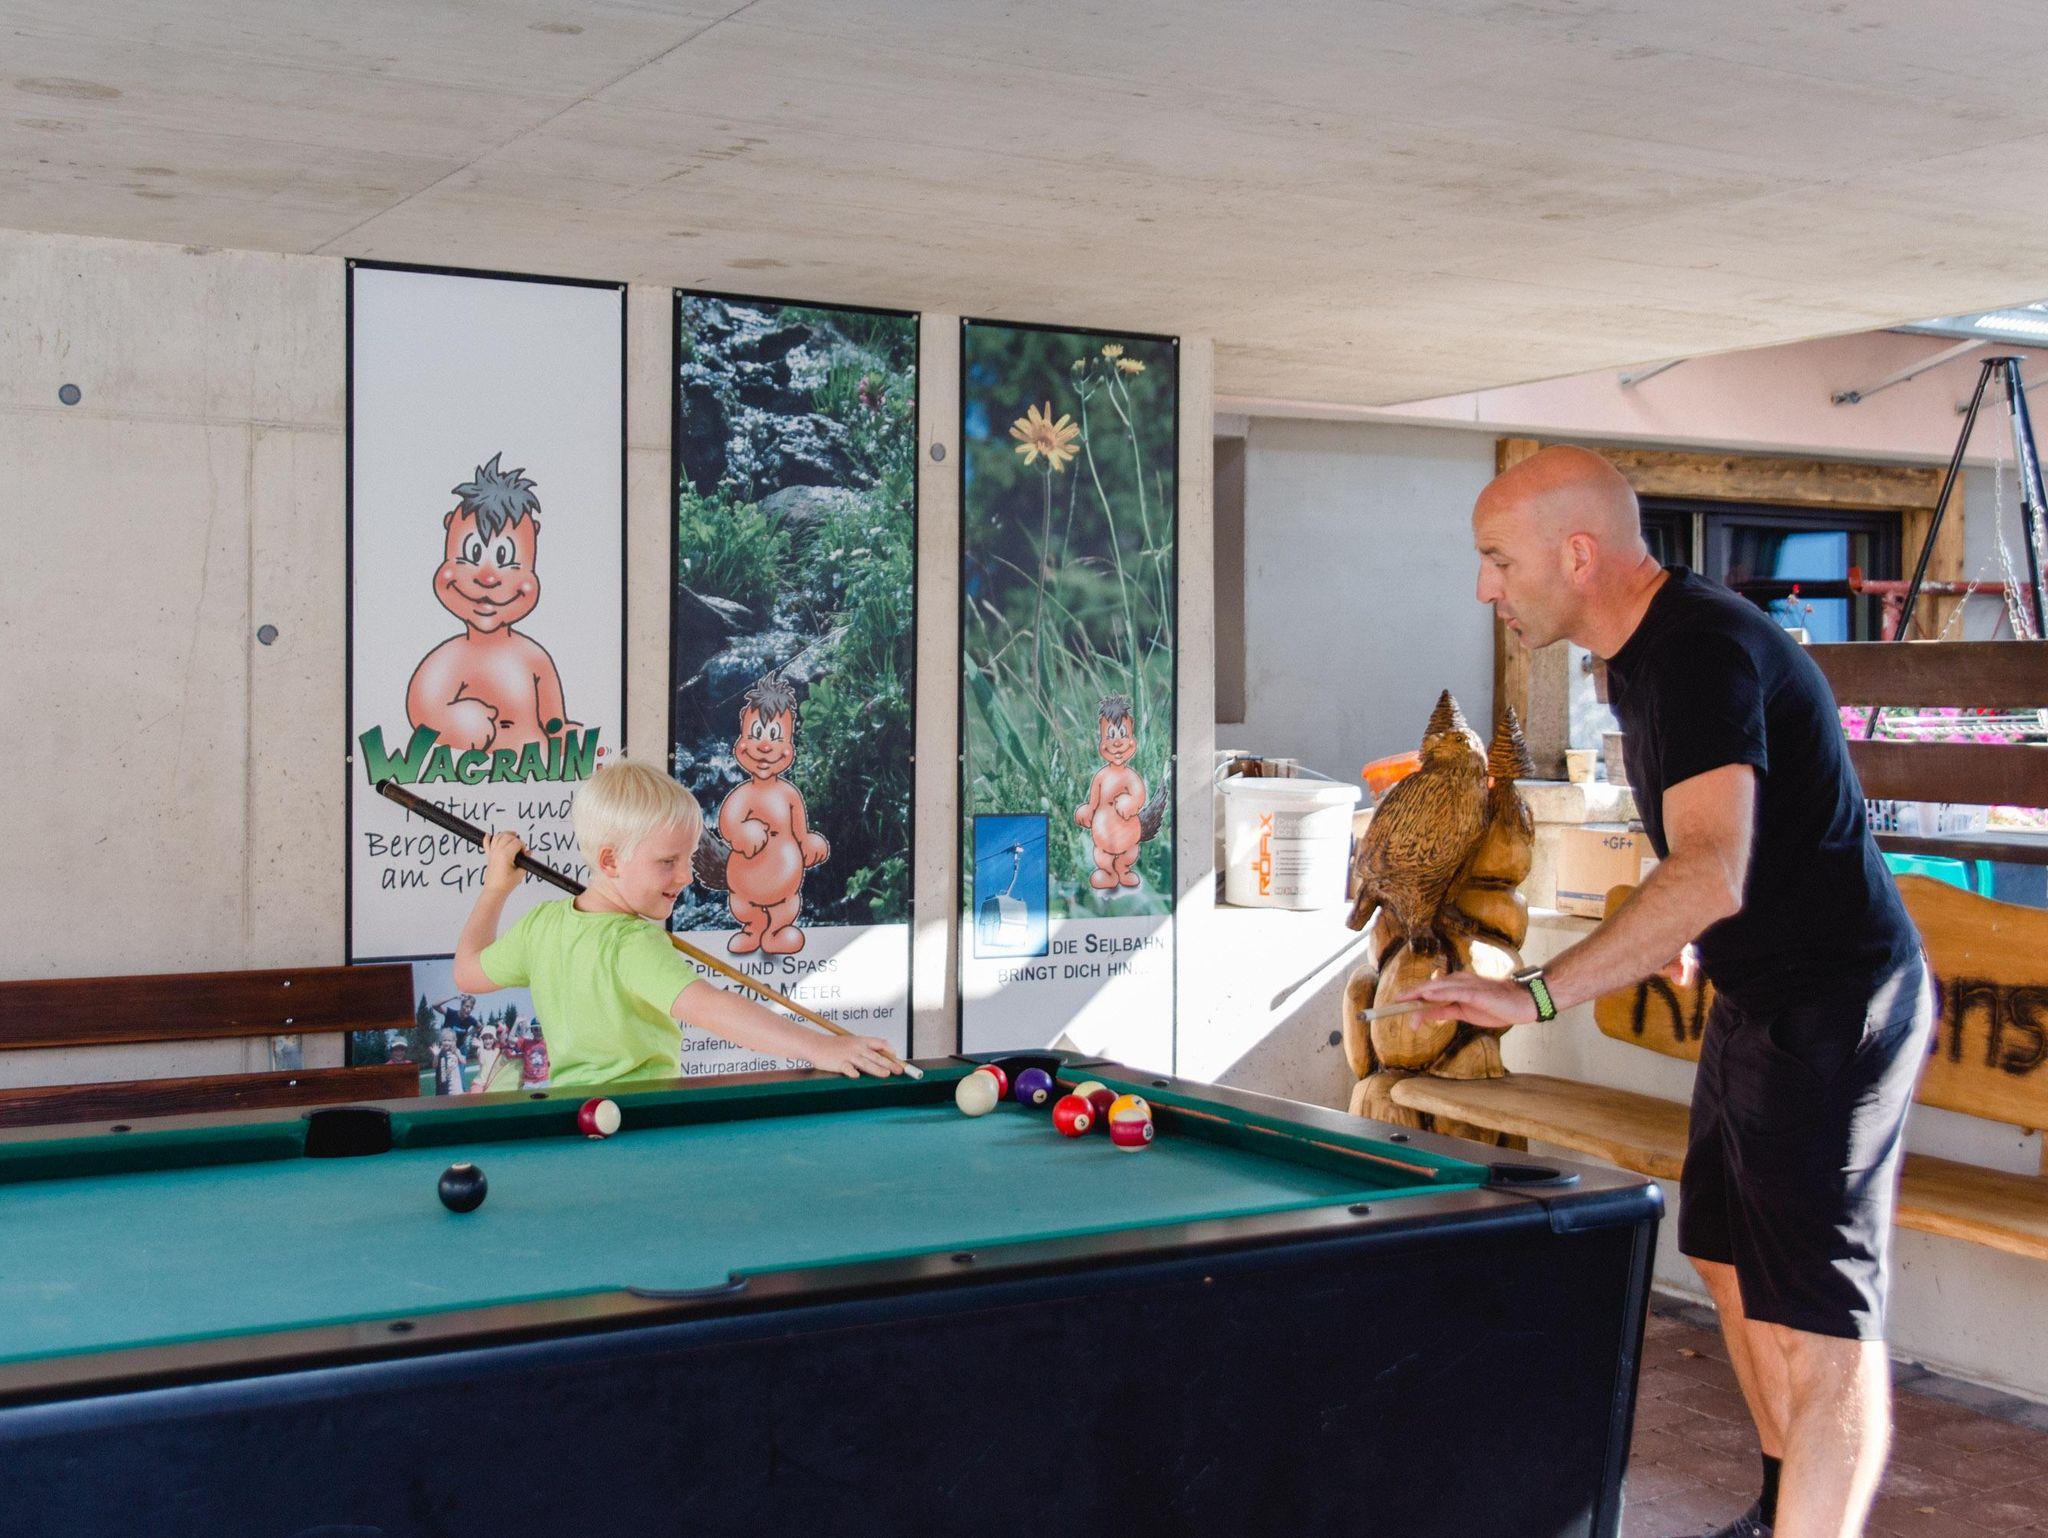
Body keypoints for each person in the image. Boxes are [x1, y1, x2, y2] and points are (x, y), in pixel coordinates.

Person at [1406, 446, 1930, 1538]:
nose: (1484, 587)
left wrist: (1535, 994)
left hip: (1835, 1005)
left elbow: (1710, 869)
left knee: (1821, 1328)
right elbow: (1713, 841)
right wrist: (1674, 930)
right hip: (1760, 996)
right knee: (1726, 1258)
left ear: (1577, 553)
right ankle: (1779, 1508)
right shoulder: (1637, 658)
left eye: (1498, 559)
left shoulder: (1696, 650)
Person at [452, 759, 898, 1088]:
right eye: (668, 862)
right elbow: (713, 1009)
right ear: (610, 861)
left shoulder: (541, 926)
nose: (685, 876)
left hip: (575, 1118)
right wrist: (819, 1047)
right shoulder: (632, 943)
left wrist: (495, 889)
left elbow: (467, 972)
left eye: (688, 858)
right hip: (645, 1124)